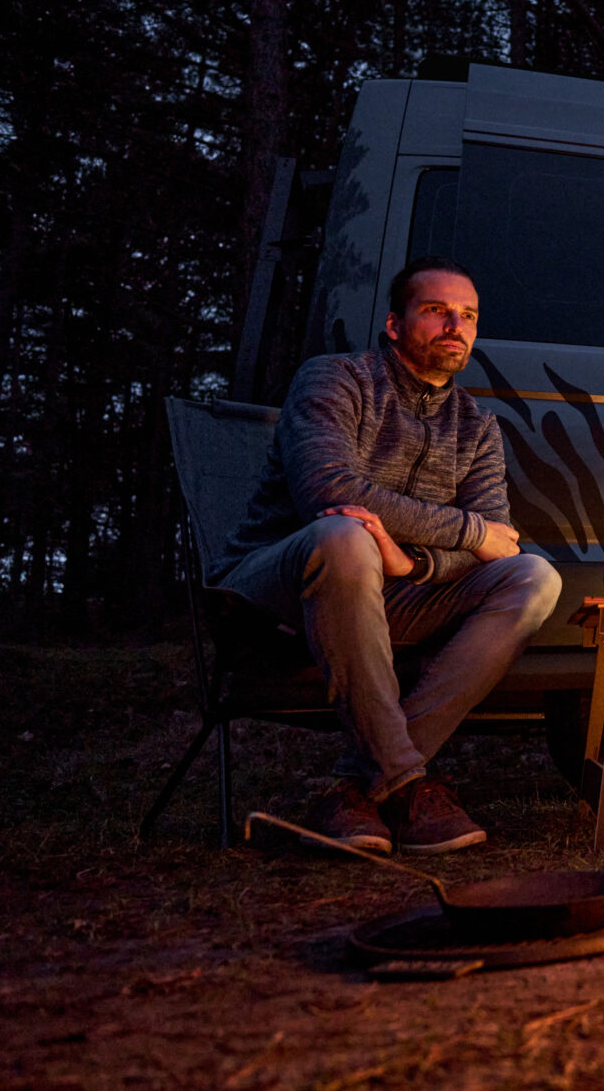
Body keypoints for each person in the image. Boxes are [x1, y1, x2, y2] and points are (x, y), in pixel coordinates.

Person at [213, 256, 561, 855]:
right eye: (436, 310)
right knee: (344, 536)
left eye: (468, 315)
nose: (455, 324)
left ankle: (355, 788)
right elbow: (330, 490)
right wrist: (467, 531)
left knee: (533, 576)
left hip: (396, 591)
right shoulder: (335, 379)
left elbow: (497, 544)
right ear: (394, 324)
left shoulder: (476, 426)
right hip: (281, 585)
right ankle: (403, 777)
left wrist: (416, 565)